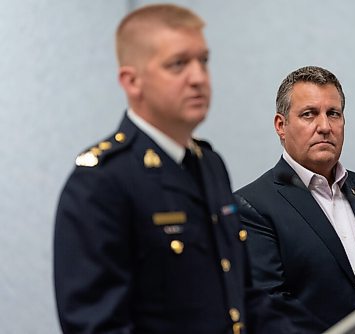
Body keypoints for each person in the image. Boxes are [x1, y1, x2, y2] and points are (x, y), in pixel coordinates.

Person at [54, 4, 296, 334]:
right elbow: (98, 326)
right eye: (178, 64)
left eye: (204, 61)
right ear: (132, 81)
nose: (198, 77)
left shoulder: (209, 164)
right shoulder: (100, 182)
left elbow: (243, 298)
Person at [235, 66, 355, 332]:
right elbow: (270, 307)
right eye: (309, 114)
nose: (324, 127)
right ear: (281, 125)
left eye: (333, 114)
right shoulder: (252, 205)